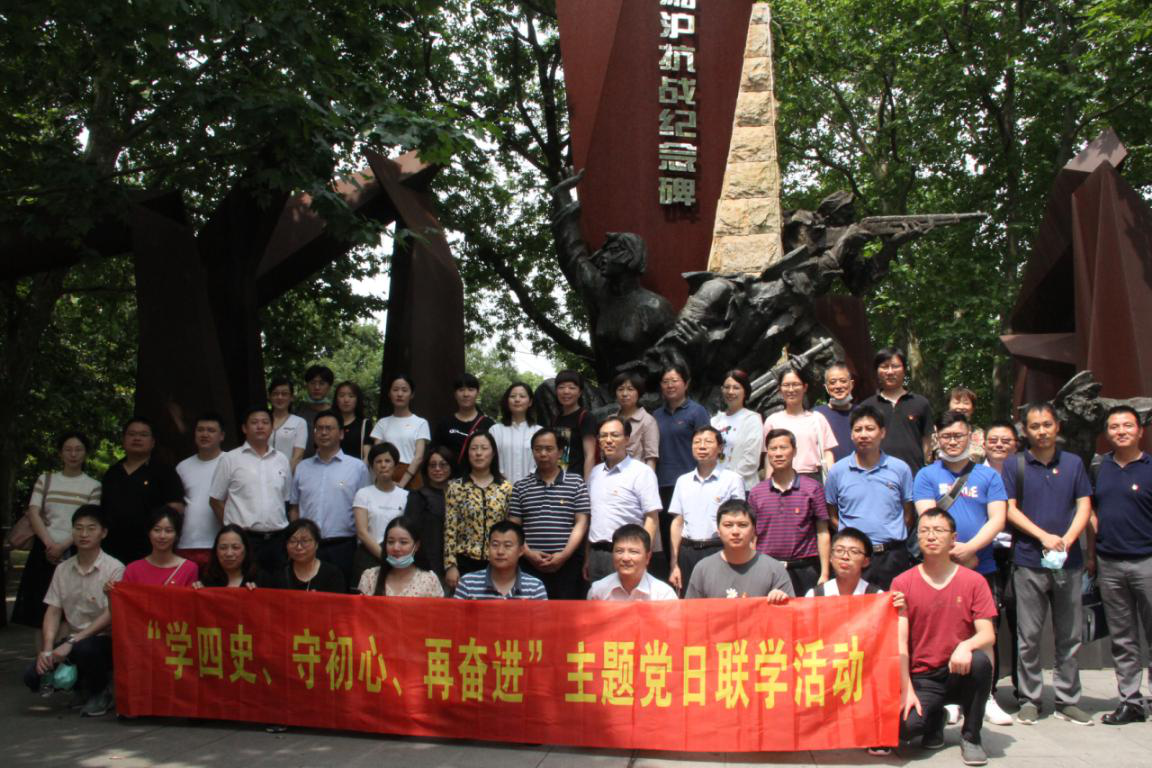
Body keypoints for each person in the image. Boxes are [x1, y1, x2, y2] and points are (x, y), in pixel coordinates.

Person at [914, 411, 1010, 726]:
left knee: (984, 632)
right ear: (937, 438)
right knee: (943, 631)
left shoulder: (988, 476)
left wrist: (971, 548)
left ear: (971, 436)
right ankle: (950, 696)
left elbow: (997, 518)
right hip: (939, 570)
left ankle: (987, 695)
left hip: (982, 565)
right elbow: (929, 520)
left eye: (958, 435)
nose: (952, 441)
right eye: (946, 436)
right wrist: (951, 553)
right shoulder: (926, 475)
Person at [1002, 402, 1093, 726]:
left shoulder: (1073, 463)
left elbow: (1084, 505)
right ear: (1025, 431)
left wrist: (1066, 539)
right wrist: (1043, 536)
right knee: (1028, 635)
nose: (1041, 431)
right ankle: (1030, 698)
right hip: (1029, 560)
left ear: (1057, 427)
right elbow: (1009, 509)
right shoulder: (1014, 465)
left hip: (1068, 561)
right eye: (1035, 426)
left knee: (1069, 635)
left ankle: (1068, 699)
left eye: (1047, 425)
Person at [895, 509, 997, 766]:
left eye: (938, 530)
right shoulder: (902, 582)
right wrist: (906, 690)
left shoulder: (974, 581)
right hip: (923, 675)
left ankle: (971, 736)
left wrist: (966, 645)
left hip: (958, 669)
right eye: (924, 531)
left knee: (980, 662)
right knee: (905, 729)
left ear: (953, 538)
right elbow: (900, 641)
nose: (931, 536)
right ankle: (934, 720)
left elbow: (987, 634)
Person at [23, 505, 124, 718]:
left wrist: (73, 641)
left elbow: (111, 614)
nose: (84, 534)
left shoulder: (115, 568)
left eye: (91, 528)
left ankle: (101, 692)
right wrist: (47, 650)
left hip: (104, 640)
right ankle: (80, 686)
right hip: (72, 639)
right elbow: (53, 611)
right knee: (32, 675)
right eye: (78, 528)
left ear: (103, 533)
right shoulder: (62, 569)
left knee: (86, 649)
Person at [1090, 405, 1152, 725]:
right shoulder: (1099, 468)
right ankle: (1131, 700)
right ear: (1107, 433)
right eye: (1114, 426)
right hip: (1110, 562)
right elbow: (1088, 509)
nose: (1121, 431)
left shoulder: (1150, 467)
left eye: (1127, 425)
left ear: (1140, 431)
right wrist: (1093, 551)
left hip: (1147, 561)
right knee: (1122, 637)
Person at [12, 431, 102, 630]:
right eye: (68, 449)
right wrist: (49, 544)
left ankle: (63, 650)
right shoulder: (46, 480)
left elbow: (89, 520)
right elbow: (34, 512)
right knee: (40, 611)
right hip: (43, 549)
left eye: (78, 449)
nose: (73, 454)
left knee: (69, 610)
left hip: (75, 550)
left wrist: (62, 546)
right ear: (60, 453)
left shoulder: (93, 486)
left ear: (85, 453)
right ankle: (43, 650)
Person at [823, 404, 915, 589]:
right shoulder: (838, 471)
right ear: (851, 435)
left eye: (870, 429)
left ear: (882, 432)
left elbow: (908, 514)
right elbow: (832, 515)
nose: (863, 434)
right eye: (858, 430)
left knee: (894, 604)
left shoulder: (900, 468)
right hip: (853, 558)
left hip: (892, 556)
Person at [289, 409, 372, 588]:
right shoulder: (302, 467)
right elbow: (294, 507)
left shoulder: (357, 468)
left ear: (341, 433)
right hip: (307, 547)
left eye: (329, 428)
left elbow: (365, 509)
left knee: (341, 597)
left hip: (343, 546)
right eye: (319, 428)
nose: (323, 432)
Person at [209, 406, 293, 575]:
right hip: (244, 539)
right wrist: (232, 529)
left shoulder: (282, 459)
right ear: (244, 428)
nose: (260, 426)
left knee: (277, 584)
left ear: (272, 427)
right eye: (254, 422)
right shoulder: (230, 459)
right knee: (246, 584)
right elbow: (215, 500)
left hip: (277, 539)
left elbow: (285, 499)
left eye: (265, 422)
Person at [507, 428, 590, 599]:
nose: (543, 454)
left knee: (565, 611)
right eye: (538, 449)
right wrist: (529, 554)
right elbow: (514, 526)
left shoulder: (576, 483)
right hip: (529, 565)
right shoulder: (521, 486)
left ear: (560, 452)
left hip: (568, 565)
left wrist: (564, 555)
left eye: (549, 449)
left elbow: (581, 523)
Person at [749, 428, 831, 597]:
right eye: (773, 448)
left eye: (783, 447)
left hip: (805, 569)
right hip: (767, 569)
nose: (778, 453)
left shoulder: (813, 488)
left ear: (794, 451)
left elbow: (822, 531)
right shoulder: (757, 492)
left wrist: (824, 573)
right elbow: (752, 536)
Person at [668, 426, 744, 593]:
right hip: (688, 552)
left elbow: (739, 521)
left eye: (708, 442)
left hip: (719, 550)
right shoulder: (683, 481)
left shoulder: (732, 480)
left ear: (720, 448)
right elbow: (677, 522)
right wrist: (674, 563)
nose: (701, 446)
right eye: (697, 442)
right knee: (689, 602)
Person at [585, 416, 662, 582]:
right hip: (596, 554)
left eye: (615, 435)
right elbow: (592, 518)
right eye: (603, 436)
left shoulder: (641, 472)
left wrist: (643, 556)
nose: (608, 440)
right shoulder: (595, 473)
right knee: (596, 598)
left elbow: (652, 518)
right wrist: (587, 557)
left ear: (627, 439)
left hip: (627, 556)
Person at [100, 417, 185, 564]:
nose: (137, 438)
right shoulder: (112, 473)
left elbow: (176, 509)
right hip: (112, 548)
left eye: (143, 435)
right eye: (132, 434)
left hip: (150, 549)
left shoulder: (165, 472)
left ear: (153, 442)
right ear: (123, 439)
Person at [653, 363, 711, 570]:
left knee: (690, 533)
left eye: (674, 381)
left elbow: (706, 445)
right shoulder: (656, 416)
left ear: (686, 384)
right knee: (667, 534)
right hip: (663, 484)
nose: (670, 385)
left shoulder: (697, 412)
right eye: (665, 382)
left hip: (690, 483)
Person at [443, 431, 514, 590]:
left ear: (493, 453)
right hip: (465, 561)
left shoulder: (506, 488)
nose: (479, 453)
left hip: (498, 561)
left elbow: (510, 527)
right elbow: (450, 529)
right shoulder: (456, 487)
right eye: (474, 448)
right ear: (467, 453)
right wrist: (450, 565)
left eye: (484, 448)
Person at [685, 499, 794, 600]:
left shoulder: (775, 570)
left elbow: (790, 611)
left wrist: (781, 599)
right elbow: (691, 611)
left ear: (754, 530)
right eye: (728, 525)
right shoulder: (703, 569)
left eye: (742, 525)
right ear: (718, 530)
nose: (735, 532)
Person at [983, 419, 1021, 704]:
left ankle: (1024, 689)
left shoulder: (1024, 472)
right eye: (993, 440)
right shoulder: (975, 474)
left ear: (1016, 445)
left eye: (1005, 440)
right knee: (989, 622)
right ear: (984, 444)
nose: (999, 445)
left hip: (1020, 552)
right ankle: (988, 689)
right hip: (986, 553)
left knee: (1022, 623)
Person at [859, 347, 934, 473]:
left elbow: (927, 439)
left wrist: (925, 465)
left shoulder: (921, 403)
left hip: (914, 473)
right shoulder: (866, 407)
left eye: (895, 366)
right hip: (877, 474)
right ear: (877, 371)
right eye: (884, 367)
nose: (890, 372)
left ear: (904, 369)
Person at [763, 368, 838, 481]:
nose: (791, 389)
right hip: (780, 479)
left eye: (795, 384)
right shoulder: (772, 421)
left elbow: (827, 453)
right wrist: (768, 482)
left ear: (805, 387)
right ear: (780, 389)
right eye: (786, 385)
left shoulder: (817, 419)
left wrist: (830, 482)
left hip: (812, 478)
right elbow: (768, 456)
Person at [174, 412, 225, 572]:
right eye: (200, 430)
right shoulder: (182, 467)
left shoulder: (232, 462)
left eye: (211, 430)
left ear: (222, 436)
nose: (205, 434)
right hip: (186, 543)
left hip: (221, 544)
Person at [352, 442, 409, 583]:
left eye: (387, 461)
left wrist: (395, 558)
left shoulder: (405, 496)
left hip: (398, 556)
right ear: (372, 467)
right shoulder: (363, 494)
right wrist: (385, 557)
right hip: (368, 555)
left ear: (395, 465)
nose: (383, 465)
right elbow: (362, 532)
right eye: (378, 461)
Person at [453, 520, 548, 600]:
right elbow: (455, 617)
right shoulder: (467, 584)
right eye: (495, 545)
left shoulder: (535, 587)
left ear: (521, 551)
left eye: (507, 545)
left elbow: (542, 617)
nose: (500, 551)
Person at [357, 516, 444, 597]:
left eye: (403, 542)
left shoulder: (429, 580)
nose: (396, 548)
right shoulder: (370, 577)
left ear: (417, 546)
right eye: (390, 542)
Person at [370, 374, 431, 489]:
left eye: (404, 390)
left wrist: (401, 484)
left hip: (411, 478)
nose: (399, 394)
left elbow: (418, 457)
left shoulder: (420, 423)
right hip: (385, 476)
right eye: (395, 390)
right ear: (389, 394)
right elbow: (376, 454)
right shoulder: (382, 423)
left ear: (412, 394)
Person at [588, 524, 678, 600]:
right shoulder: (598, 591)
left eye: (633, 552)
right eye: (619, 551)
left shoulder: (664, 595)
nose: (625, 558)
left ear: (647, 557)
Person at [404, 446, 454, 583]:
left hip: (456, 565)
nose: (437, 469)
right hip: (427, 564)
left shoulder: (460, 495)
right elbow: (410, 532)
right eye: (432, 465)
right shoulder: (418, 496)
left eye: (443, 464)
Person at [115, 507, 199, 587]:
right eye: (157, 530)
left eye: (168, 531)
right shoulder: (133, 569)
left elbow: (190, 597)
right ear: (149, 533)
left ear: (177, 535)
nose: (162, 536)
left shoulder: (189, 568)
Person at [711, 368, 763, 491]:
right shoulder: (714, 421)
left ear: (745, 392)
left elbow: (751, 460)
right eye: (727, 387)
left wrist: (727, 481)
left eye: (736, 388)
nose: (730, 391)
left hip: (741, 487)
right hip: (714, 486)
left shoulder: (752, 419)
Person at [264, 518, 346, 592]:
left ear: (316, 544)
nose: (299, 547)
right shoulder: (279, 574)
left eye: (305, 541)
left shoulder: (332, 574)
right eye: (293, 541)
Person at [433, 373, 494, 466]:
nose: (466, 394)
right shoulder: (444, 424)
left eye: (471, 390)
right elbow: (434, 452)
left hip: (478, 474)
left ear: (477, 393)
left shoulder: (488, 424)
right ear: (455, 394)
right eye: (461, 390)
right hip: (451, 474)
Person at [488, 381, 541, 484]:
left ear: (530, 402)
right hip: (500, 488)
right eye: (513, 396)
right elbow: (489, 459)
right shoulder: (495, 430)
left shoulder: (539, 431)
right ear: (507, 401)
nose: (517, 399)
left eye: (522, 396)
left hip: (532, 488)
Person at [806, 527, 881, 596]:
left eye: (854, 552)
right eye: (839, 550)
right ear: (831, 557)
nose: (845, 557)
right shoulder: (815, 595)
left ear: (866, 561)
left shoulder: (877, 597)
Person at [551, 369, 597, 478]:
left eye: (572, 388)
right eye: (561, 387)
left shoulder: (586, 417)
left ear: (580, 392)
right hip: (557, 479)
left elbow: (590, 455)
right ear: (556, 391)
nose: (566, 391)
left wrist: (585, 484)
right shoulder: (555, 419)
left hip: (576, 480)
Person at [613, 371, 659, 469]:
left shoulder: (647, 421)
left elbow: (651, 458)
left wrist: (648, 477)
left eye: (630, 389)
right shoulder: (611, 420)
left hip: (636, 475)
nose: (624, 394)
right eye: (620, 389)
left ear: (639, 393)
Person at [193, 525, 259, 588]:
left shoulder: (259, 580)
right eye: (223, 548)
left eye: (235, 547)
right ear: (216, 551)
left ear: (246, 550)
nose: (229, 554)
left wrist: (255, 592)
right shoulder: (206, 582)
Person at [814, 362, 855, 462]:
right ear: (826, 387)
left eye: (843, 381)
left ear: (851, 384)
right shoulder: (816, 415)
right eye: (832, 382)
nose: (838, 386)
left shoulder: (862, 413)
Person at [933, 387, 986, 462]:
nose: (961, 407)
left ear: (973, 408)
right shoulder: (936, 430)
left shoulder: (980, 433)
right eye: (957, 402)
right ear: (948, 406)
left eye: (966, 403)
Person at [268, 375, 307, 473]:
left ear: (292, 397)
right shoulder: (262, 421)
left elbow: (298, 456)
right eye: (275, 393)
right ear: (269, 396)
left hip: (288, 475)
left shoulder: (299, 422)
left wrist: (284, 476)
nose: (279, 397)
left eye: (284, 394)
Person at [298, 364, 336, 458]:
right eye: (312, 383)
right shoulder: (298, 412)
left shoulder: (336, 414)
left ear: (329, 387)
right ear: (306, 385)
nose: (317, 387)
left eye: (322, 383)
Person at [334, 380, 373, 461]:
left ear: (357, 399)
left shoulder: (364, 424)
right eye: (341, 396)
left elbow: (367, 455)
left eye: (351, 396)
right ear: (336, 399)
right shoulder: (329, 423)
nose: (346, 400)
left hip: (356, 468)